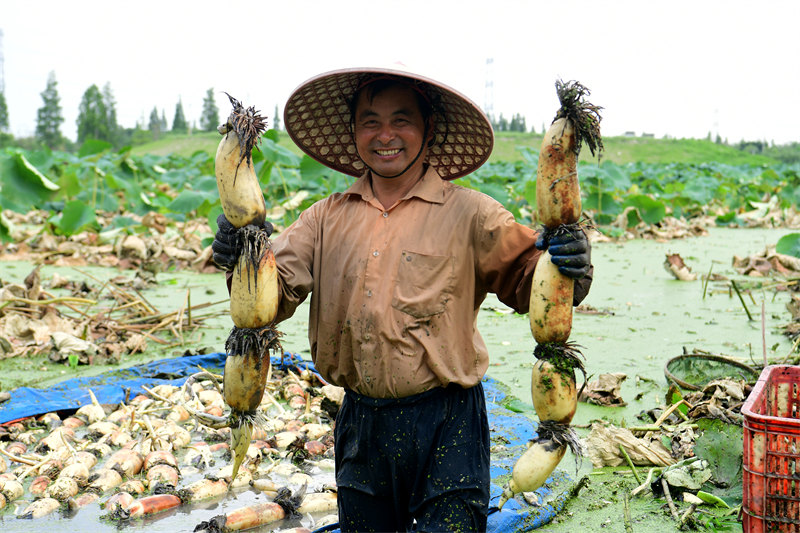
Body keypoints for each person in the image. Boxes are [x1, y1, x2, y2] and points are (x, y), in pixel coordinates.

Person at [212, 66, 593, 533]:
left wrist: (573, 262)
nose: (385, 135)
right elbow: (269, 301)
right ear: (354, 132)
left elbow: (534, 285)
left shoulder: (471, 214)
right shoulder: (323, 220)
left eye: (402, 119)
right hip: (360, 424)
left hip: (447, 420)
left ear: (427, 129)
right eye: (370, 121)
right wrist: (242, 256)